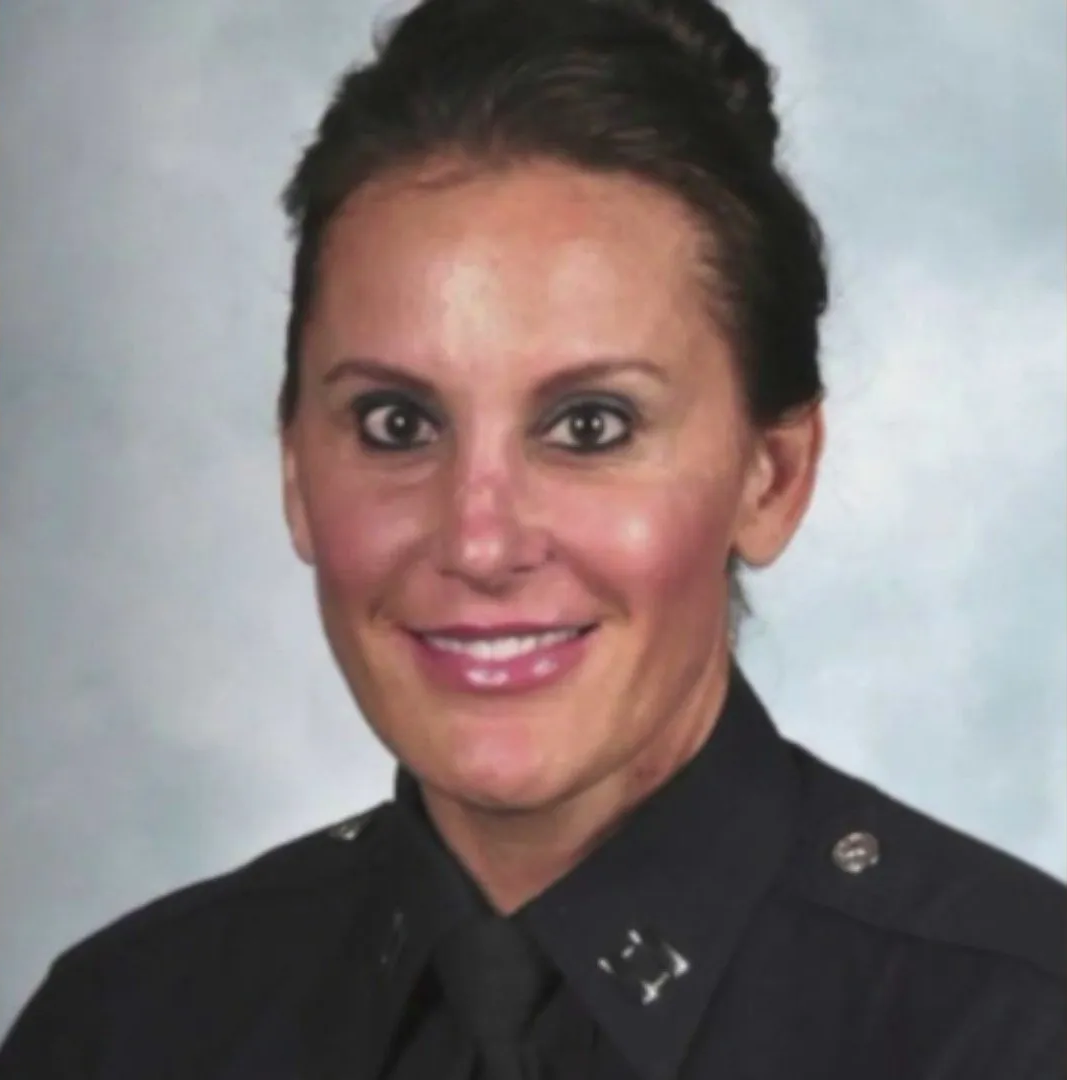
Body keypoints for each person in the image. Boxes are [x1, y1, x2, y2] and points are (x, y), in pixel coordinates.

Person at [1, 0, 1063, 1076]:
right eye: (396, 424)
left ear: (772, 478)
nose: (478, 542)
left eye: (589, 426)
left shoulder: (1018, 1032)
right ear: (294, 471)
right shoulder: (124, 1030)